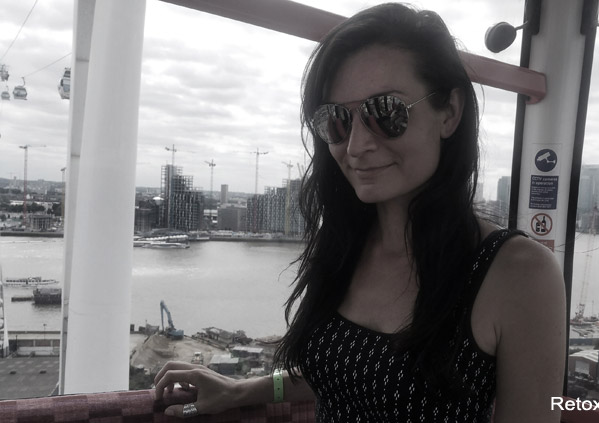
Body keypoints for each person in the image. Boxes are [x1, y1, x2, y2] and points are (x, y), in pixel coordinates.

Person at [155, 3, 565, 422]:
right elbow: (354, 371)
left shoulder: (517, 273)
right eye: (336, 120)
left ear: (450, 112)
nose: (355, 146)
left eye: (385, 112)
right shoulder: (345, 245)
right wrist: (244, 389)